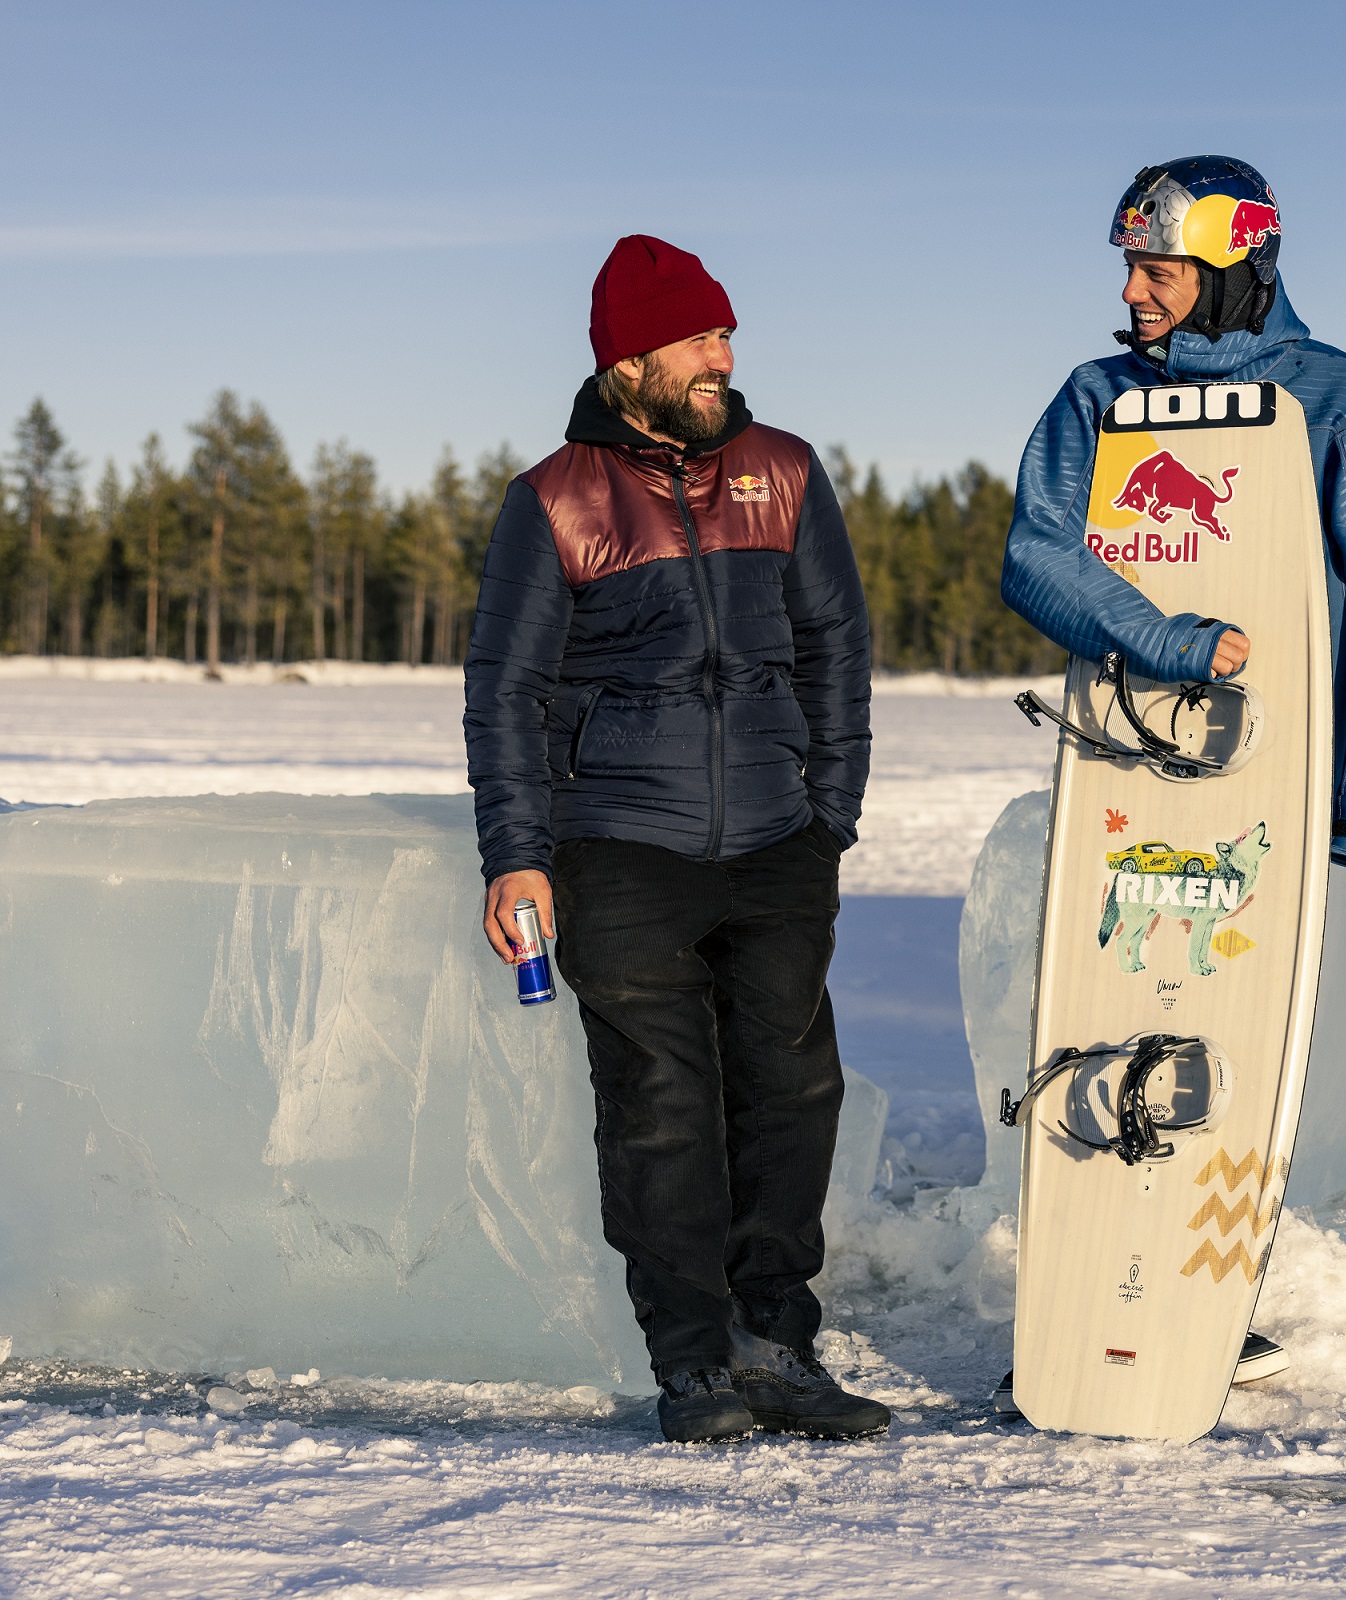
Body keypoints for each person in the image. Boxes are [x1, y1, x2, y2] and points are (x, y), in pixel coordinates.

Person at [991, 155, 1346, 1409]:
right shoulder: (1099, 397)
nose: (1134, 294)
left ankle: (1202, 1296)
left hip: (1273, 781)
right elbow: (1036, 556)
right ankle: (1106, 1292)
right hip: (1137, 753)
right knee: (1123, 1003)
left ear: (1237, 269)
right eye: (1129, 269)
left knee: (1228, 1037)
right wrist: (1172, 643)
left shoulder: (1332, 397)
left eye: (1160, 270)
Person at [464, 234, 888, 1445]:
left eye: (727, 335)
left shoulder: (785, 472)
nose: (726, 356)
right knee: (661, 1106)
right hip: (618, 843)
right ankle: (693, 1362)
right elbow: (505, 687)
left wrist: (831, 816)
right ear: (632, 361)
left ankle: (779, 1344)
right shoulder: (553, 500)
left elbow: (837, 648)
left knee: (792, 1091)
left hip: (776, 839)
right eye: (702, 339)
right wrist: (517, 852)